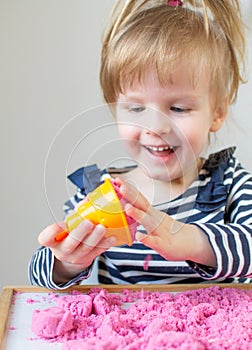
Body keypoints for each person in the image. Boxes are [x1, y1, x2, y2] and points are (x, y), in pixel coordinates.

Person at [29, 0, 252, 289]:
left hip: (215, 333)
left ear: (217, 113)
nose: (156, 127)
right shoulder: (99, 191)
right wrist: (67, 263)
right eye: (136, 109)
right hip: (125, 331)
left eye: (179, 108)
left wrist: (190, 240)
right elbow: (39, 275)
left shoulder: (228, 184)